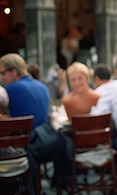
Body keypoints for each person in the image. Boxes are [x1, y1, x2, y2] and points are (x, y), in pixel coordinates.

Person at [0, 53, 69, 187]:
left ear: (14, 71)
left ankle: (9, 190)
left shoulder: (8, 90)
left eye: (3, 73)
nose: (2, 78)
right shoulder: (43, 86)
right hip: (48, 143)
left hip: (24, 147)